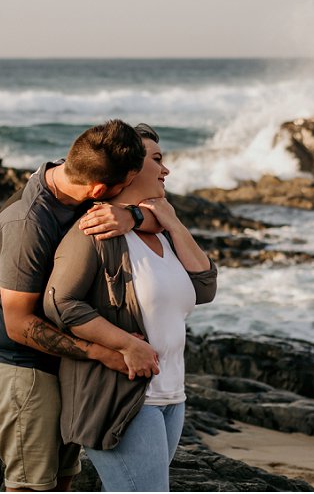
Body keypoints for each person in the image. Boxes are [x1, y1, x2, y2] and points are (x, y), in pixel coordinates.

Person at [0, 119, 162, 492]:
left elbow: (162, 211)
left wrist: (132, 215)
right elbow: (19, 324)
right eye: (124, 186)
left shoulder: (80, 185)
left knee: (65, 480)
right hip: (24, 372)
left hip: (67, 367)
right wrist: (103, 351)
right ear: (100, 188)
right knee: (33, 486)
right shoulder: (26, 224)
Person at [44, 123, 218, 492]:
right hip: (123, 397)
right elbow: (60, 303)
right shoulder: (94, 231)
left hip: (172, 394)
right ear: (132, 170)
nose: (166, 170)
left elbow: (204, 287)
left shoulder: (159, 231)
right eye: (158, 160)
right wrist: (126, 344)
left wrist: (168, 219)